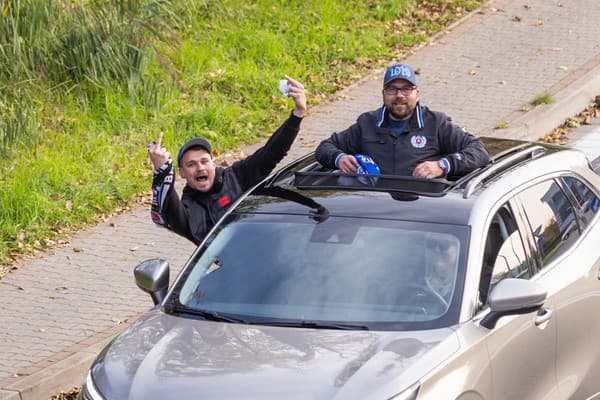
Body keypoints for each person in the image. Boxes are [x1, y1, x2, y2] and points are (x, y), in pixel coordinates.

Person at [148, 76, 307, 245]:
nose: (200, 168)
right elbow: (168, 209)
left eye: (204, 161)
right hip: (231, 269)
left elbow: (272, 152)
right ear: (182, 173)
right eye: (191, 165)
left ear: (213, 163)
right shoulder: (188, 209)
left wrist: (298, 114)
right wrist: (162, 170)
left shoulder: (237, 177)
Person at [315, 63, 490, 178]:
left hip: (423, 210)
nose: (399, 95)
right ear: (383, 94)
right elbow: (324, 147)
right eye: (392, 89)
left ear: (417, 94)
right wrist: (339, 159)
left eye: (406, 89)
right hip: (373, 208)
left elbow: (479, 151)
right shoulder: (367, 123)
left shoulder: (436, 123)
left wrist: (442, 165)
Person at [425, 236, 459, 303]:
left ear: (457, 248)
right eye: (431, 243)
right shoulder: (415, 274)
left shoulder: (471, 276)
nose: (436, 249)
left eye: (444, 243)